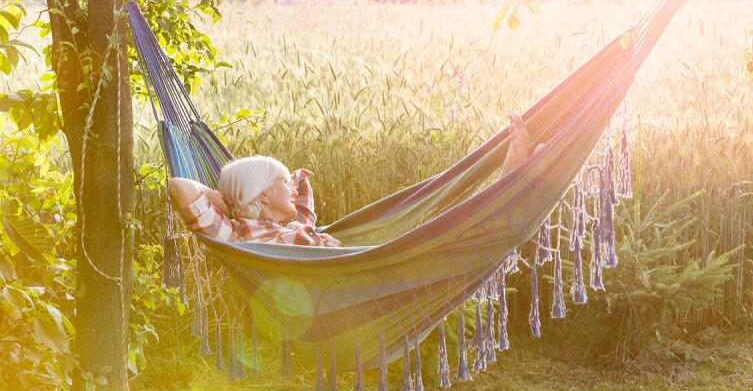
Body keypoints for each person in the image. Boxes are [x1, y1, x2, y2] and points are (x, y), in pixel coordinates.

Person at [168, 112, 534, 247]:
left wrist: (273, 186)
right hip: (361, 274)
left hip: (362, 265)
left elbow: (300, 194)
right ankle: (512, 179)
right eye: (282, 182)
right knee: (451, 241)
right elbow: (179, 188)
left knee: (440, 226)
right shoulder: (237, 235)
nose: (291, 186)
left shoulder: (297, 222)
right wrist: (225, 198)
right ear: (262, 196)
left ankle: (509, 180)